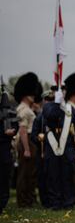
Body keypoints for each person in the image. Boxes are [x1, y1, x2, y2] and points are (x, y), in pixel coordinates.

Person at [38, 73, 75, 210]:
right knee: (53, 176)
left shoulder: (70, 108)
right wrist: (58, 104)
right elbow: (51, 115)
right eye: (57, 90)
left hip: (68, 146)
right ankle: (55, 202)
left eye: (62, 90)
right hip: (52, 147)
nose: (60, 92)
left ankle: (68, 201)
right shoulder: (48, 107)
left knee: (68, 175)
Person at [14, 72, 41, 207]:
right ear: (26, 95)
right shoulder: (24, 110)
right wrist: (26, 149)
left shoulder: (27, 109)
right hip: (27, 140)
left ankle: (29, 198)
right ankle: (24, 200)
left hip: (31, 140)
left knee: (30, 172)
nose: (34, 96)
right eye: (31, 94)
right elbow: (23, 130)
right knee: (25, 173)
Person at [1, 81, 20, 214]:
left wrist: (13, 131)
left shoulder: (8, 109)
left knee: (5, 176)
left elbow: (15, 125)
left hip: (5, 148)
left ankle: (2, 203)